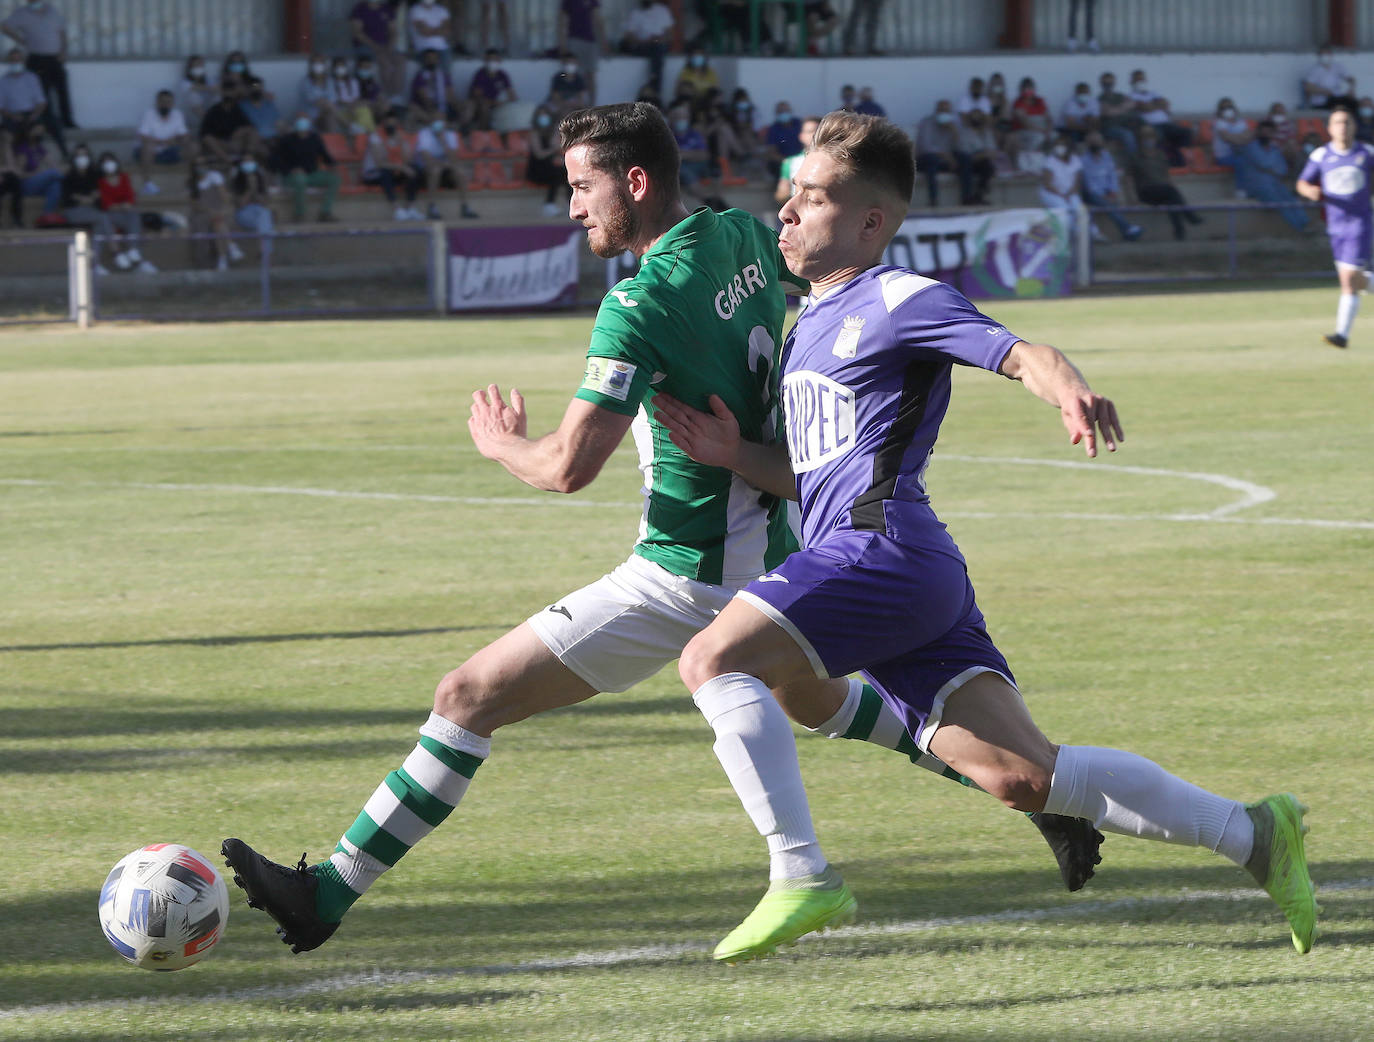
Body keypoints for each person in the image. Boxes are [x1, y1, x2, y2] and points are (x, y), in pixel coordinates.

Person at [222, 101, 1103, 962]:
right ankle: (1036, 795)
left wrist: (500, 445)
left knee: (467, 697)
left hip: (686, 571)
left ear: (634, 182)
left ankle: (327, 893)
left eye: (581, 187)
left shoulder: (638, 305)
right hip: (781, 544)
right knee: (818, 698)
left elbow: (567, 465)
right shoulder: (744, 237)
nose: (571, 207)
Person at [655, 109, 1319, 964]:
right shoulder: (806, 326)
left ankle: (801, 874)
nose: (784, 212)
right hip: (895, 565)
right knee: (1023, 777)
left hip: (878, 550)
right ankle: (1257, 834)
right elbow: (812, 474)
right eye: (787, 195)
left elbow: (1019, 350)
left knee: (713, 660)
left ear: (869, 221)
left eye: (810, 199)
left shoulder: (896, 296)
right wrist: (734, 452)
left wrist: (1069, 390)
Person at [1296, 107, 1373, 349]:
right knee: (1353, 281)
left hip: (1360, 224)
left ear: (1355, 127)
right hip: (1336, 227)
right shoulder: (1321, 156)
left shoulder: (1367, 153)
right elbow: (1302, 182)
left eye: (1347, 122)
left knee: (1349, 279)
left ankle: (1341, 336)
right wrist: (1309, 191)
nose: (1343, 127)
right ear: (1329, 129)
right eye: (1338, 123)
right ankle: (1341, 335)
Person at [1, 0, 73, 128]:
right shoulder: (22, 13)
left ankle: (68, 122)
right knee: (43, 93)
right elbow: (4, 26)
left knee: (62, 91)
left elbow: (62, 31)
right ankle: (47, 123)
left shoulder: (51, 10)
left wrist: (63, 51)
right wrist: (20, 39)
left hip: (55, 58)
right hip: (37, 58)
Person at [1127, 123, 1203, 240]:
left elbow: (1166, 175)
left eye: (1151, 135)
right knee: (1171, 192)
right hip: (1146, 191)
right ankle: (1189, 216)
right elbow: (1128, 178)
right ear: (1140, 138)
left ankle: (1179, 231)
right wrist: (1131, 198)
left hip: (1164, 189)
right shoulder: (1135, 156)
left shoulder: (1160, 154)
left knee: (1172, 199)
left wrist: (1172, 188)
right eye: (1145, 136)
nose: (1148, 139)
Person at [1240, 118, 1310, 232]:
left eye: (1269, 132)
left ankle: (1306, 223)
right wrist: (1273, 169)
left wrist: (1272, 170)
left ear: (1273, 134)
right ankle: (1301, 228)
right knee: (1280, 201)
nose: (1266, 134)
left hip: (1274, 184)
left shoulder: (1274, 148)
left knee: (1290, 198)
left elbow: (1283, 169)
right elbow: (1263, 163)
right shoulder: (1251, 147)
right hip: (1257, 187)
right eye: (1263, 131)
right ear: (1258, 132)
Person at [60, 145, 121, 272]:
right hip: (73, 212)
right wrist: (80, 199)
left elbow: (101, 192)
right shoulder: (69, 176)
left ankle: (94, 264)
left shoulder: (95, 175)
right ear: (74, 158)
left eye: (85, 155)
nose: (82, 158)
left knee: (100, 225)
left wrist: (93, 197)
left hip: (92, 211)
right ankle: (115, 250)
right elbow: (67, 198)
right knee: (102, 218)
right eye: (79, 155)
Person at [272, 113, 340, 223]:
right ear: (295, 123)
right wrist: (290, 170)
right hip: (292, 176)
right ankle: (299, 214)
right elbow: (275, 160)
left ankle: (325, 212)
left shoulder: (315, 138)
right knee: (300, 179)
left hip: (312, 174)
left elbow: (325, 155)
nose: (302, 123)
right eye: (300, 120)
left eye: (305, 120)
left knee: (334, 179)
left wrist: (333, 165)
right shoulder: (286, 140)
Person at [95, 151, 155, 273]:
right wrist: (122, 205)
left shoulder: (124, 177)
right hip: (111, 215)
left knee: (135, 215)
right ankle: (132, 259)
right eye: (105, 162)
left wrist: (127, 205)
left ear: (116, 163)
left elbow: (130, 196)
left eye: (110, 161)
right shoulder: (100, 182)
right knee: (102, 224)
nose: (108, 164)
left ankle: (133, 250)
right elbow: (107, 204)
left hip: (126, 213)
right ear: (101, 166)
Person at [1079, 130, 1142, 240]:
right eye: (1092, 142)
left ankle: (1127, 231)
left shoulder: (1107, 156)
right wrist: (1104, 196)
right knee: (1106, 203)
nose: (1095, 144)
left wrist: (1112, 191)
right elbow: (1088, 184)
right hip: (1091, 194)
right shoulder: (1083, 160)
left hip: (1106, 192)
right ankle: (1127, 228)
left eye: (1097, 141)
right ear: (1087, 144)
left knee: (1115, 198)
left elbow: (1112, 175)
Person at [413, 115, 478, 219]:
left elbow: (454, 160)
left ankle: (465, 207)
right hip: (426, 171)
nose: (438, 123)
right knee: (435, 170)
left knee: (460, 172)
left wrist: (443, 141)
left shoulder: (451, 135)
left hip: (446, 170)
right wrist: (445, 164)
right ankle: (431, 207)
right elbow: (427, 159)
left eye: (441, 120)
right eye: (435, 120)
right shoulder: (424, 134)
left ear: (445, 123)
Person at [362, 109, 422, 220]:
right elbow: (380, 163)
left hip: (394, 170)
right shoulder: (375, 137)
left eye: (394, 124)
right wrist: (402, 167)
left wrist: (402, 142)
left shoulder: (400, 135)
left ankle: (410, 208)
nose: (391, 126)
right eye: (388, 124)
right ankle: (397, 210)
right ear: (383, 123)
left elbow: (408, 159)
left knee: (415, 170)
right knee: (385, 173)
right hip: (372, 173)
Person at [1128, 69, 1190, 167]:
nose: (1140, 82)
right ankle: (1165, 161)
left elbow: (1166, 104)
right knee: (1159, 137)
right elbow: (1144, 107)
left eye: (1142, 79)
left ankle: (1178, 156)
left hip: (1166, 124)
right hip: (1150, 126)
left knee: (1186, 132)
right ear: (1132, 82)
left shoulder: (1153, 93)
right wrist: (1156, 105)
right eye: (1137, 80)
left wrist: (1151, 105)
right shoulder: (1131, 96)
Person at [134, 89, 190, 195]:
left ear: (172, 103)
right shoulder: (148, 114)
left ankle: (190, 183)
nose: (165, 104)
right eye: (162, 101)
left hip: (169, 151)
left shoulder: (177, 114)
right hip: (150, 151)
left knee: (192, 146)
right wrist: (161, 142)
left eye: (168, 102)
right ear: (157, 102)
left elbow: (185, 135)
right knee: (147, 147)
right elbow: (142, 136)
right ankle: (147, 185)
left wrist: (174, 140)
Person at [350, 0, 405, 103]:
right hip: (365, 46)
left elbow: (393, 32)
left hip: (385, 46)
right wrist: (375, 46)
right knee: (385, 63)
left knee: (400, 60)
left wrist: (390, 46)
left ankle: (396, 95)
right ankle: (387, 94)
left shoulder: (387, 8)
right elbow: (357, 33)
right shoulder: (359, 9)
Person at [186, 157, 235, 271]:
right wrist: (210, 211)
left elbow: (225, 197)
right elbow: (195, 205)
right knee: (215, 221)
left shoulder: (215, 176)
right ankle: (230, 248)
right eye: (198, 165)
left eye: (203, 164)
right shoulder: (191, 182)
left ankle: (224, 257)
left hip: (219, 210)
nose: (201, 167)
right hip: (202, 212)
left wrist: (223, 210)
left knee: (218, 221)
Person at [913, 98, 964, 208]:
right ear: (936, 111)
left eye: (946, 111)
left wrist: (955, 133)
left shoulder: (953, 125)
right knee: (932, 161)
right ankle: (933, 200)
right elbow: (926, 147)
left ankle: (967, 198)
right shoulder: (927, 123)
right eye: (941, 111)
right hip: (926, 159)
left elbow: (960, 147)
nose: (944, 114)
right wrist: (945, 156)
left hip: (946, 161)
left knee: (965, 159)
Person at [199, 80, 259, 167]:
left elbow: (250, 126)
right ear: (222, 92)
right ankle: (228, 161)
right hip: (220, 143)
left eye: (231, 91)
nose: (229, 94)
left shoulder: (238, 109)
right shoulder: (214, 110)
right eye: (226, 91)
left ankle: (247, 157)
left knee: (253, 132)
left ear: (234, 93)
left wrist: (241, 130)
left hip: (235, 142)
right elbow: (204, 134)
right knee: (208, 138)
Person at [558, 0, 606, 106]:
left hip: (591, 41)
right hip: (574, 40)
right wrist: (562, 45)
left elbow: (598, 20)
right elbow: (562, 22)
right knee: (573, 74)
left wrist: (604, 42)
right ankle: (576, 106)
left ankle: (592, 106)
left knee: (591, 75)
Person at [619, 0, 672, 95]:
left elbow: (669, 35)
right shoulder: (635, 13)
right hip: (642, 46)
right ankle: (654, 85)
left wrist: (657, 40)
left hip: (659, 44)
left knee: (658, 48)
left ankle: (655, 86)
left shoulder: (662, 11)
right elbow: (628, 36)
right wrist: (645, 41)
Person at [525, 102, 567, 216]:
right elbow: (539, 154)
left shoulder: (552, 132)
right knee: (557, 173)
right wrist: (553, 150)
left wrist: (555, 132)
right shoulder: (534, 133)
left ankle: (570, 203)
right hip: (537, 169)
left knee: (566, 173)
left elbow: (557, 148)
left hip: (550, 165)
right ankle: (549, 204)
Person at [230, 153, 274, 251]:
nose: (248, 163)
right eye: (246, 161)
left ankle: (264, 251)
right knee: (265, 219)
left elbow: (264, 202)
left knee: (264, 215)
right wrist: (249, 188)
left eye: (251, 161)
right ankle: (266, 254)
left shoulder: (260, 180)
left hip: (259, 211)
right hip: (244, 213)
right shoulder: (237, 181)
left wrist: (255, 187)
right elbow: (241, 204)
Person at [466, 47, 516, 132]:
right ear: (485, 61)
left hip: (500, 105)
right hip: (483, 105)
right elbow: (477, 96)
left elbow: (512, 95)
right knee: (483, 106)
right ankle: (482, 132)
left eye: (495, 60)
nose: (493, 62)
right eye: (490, 60)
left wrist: (506, 101)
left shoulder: (502, 75)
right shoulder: (480, 74)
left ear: (499, 60)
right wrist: (493, 102)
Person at [0, 44, 44, 139]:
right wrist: (12, 116)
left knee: (38, 130)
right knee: (6, 137)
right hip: (12, 116)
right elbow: (1, 107)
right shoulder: (3, 81)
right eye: (13, 60)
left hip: (30, 114)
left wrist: (34, 115)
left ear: (23, 61)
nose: (16, 62)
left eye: (18, 60)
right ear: (9, 62)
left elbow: (41, 102)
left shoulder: (32, 78)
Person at [774, 113, 818, 205]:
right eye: (810, 131)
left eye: (817, 131)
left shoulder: (836, 159)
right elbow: (781, 194)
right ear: (801, 136)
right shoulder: (790, 162)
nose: (814, 135)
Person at [956, 108, 997, 206]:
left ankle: (979, 196)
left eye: (979, 117)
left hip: (982, 161)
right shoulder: (964, 133)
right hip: (967, 161)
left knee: (988, 167)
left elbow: (993, 150)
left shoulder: (987, 133)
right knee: (966, 163)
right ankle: (967, 197)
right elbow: (964, 152)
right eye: (974, 116)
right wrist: (983, 154)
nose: (977, 119)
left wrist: (985, 154)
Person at [1010, 76, 1051, 172]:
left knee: (1055, 137)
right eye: (1026, 88)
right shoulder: (1018, 103)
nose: (1028, 90)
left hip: (1043, 129)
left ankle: (1049, 166)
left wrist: (1048, 130)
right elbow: (1024, 123)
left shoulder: (1040, 101)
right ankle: (1031, 166)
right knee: (1039, 137)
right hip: (1025, 131)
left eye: (1030, 88)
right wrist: (1042, 131)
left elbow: (1049, 118)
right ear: (1021, 89)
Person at [411, 47, 460, 123]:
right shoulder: (420, 77)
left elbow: (450, 95)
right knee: (413, 108)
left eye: (434, 58)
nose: (431, 60)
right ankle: (437, 122)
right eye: (429, 58)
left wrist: (456, 105)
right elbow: (424, 98)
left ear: (438, 60)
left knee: (467, 107)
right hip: (428, 109)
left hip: (444, 107)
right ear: (425, 60)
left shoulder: (444, 76)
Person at [1302, 45, 1357, 111]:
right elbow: (1308, 88)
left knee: (1354, 104)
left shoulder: (1337, 67)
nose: (1325, 56)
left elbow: (1350, 79)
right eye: (1322, 54)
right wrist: (1324, 91)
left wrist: (1351, 89)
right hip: (1321, 102)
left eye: (1327, 54)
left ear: (1331, 55)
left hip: (1336, 98)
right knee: (1337, 107)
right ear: (1318, 55)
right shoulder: (1314, 70)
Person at [1097, 71, 1138, 156]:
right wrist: (1123, 107)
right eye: (1106, 83)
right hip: (1109, 128)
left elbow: (1132, 104)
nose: (1108, 85)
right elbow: (1108, 112)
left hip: (1126, 124)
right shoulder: (1099, 99)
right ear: (1101, 84)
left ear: (1114, 83)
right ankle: (1134, 160)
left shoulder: (1120, 95)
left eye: (1110, 83)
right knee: (1127, 135)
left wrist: (1115, 109)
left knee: (1147, 130)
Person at [239, 76, 282, 153]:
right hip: (255, 141)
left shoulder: (269, 103)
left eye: (259, 87)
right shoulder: (242, 106)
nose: (257, 89)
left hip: (274, 138)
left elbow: (278, 122)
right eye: (254, 86)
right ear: (248, 88)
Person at [408, 0, 455, 64]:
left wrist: (431, 30)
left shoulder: (442, 10)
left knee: (445, 68)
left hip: (442, 48)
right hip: (423, 48)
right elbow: (424, 32)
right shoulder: (415, 10)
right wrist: (440, 30)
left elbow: (447, 31)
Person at [298, 53, 336, 131]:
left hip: (327, 112)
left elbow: (333, 98)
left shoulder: (329, 81)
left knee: (329, 116)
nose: (318, 65)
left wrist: (324, 102)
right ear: (311, 65)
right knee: (330, 110)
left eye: (320, 62)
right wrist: (323, 101)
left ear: (324, 65)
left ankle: (331, 140)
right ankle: (348, 125)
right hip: (310, 115)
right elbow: (311, 99)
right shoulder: (305, 82)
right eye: (316, 63)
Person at [178, 55, 217, 128]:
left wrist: (211, 88)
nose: (198, 67)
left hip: (211, 112)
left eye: (200, 65)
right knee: (193, 96)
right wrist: (209, 88)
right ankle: (210, 122)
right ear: (190, 68)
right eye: (195, 65)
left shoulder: (209, 80)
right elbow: (193, 88)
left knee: (218, 96)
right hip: (193, 117)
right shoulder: (184, 82)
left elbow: (217, 89)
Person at [546, 52, 589, 118]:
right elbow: (555, 98)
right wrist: (565, 106)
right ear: (564, 64)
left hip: (573, 107)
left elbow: (581, 99)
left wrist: (572, 106)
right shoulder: (559, 77)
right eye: (569, 63)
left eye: (573, 63)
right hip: (559, 106)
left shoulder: (579, 79)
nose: (571, 65)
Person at [0, 128, 20, 226]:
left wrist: (7, 147)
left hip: (7, 178)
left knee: (15, 182)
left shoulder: (9, 149)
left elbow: (13, 169)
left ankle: (16, 216)